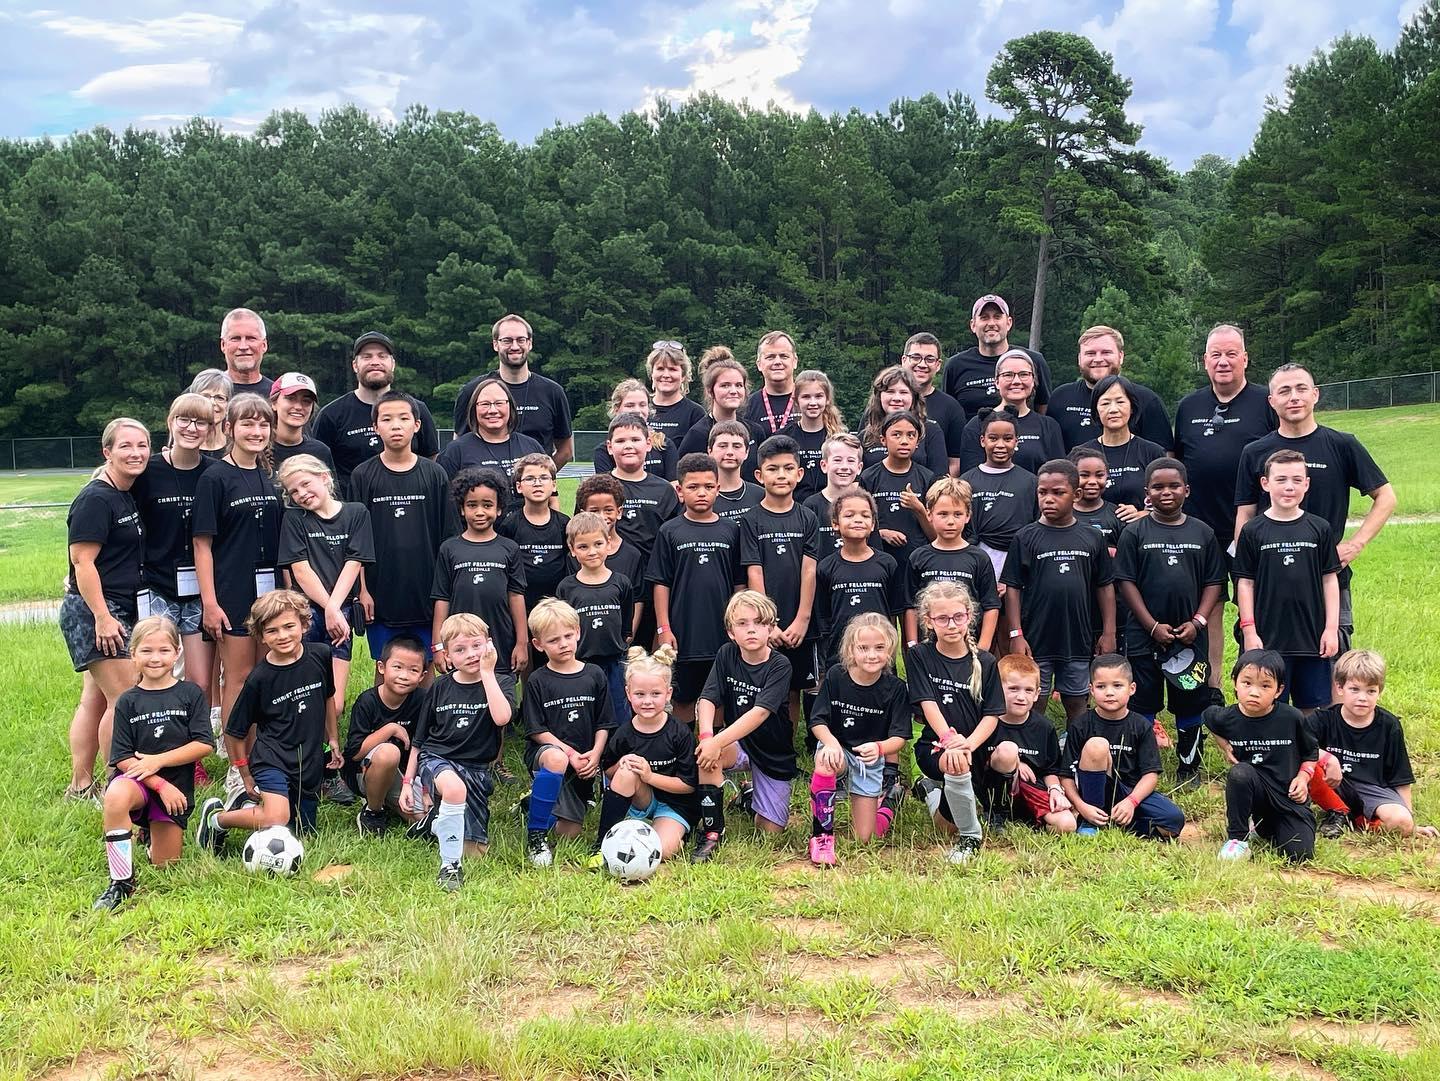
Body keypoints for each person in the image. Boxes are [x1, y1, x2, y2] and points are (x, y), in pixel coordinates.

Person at [1234, 363, 1395, 652]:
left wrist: (1356, 544)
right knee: (1268, 670)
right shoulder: (1254, 452)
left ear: (1315, 395)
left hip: (1327, 578)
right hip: (1270, 580)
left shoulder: (1342, 445)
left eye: (1301, 389)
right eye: (1284, 391)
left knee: (1332, 663)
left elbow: (1385, 497)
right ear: (1272, 401)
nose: (1293, 397)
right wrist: (1245, 572)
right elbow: (1245, 514)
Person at [1172, 325, 1278, 686]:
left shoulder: (1266, 403)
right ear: (1204, 361)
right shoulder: (1189, 407)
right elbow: (1176, 463)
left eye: (1232, 353)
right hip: (1201, 531)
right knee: (1208, 612)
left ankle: (1264, 689)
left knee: (1260, 610)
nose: (1223, 361)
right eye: (1215, 354)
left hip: (1256, 528)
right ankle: (1212, 690)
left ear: (1245, 358)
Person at [195, 590, 339, 851]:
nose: (282, 636)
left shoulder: (320, 655)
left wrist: (333, 739)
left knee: (305, 835)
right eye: (272, 631)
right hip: (271, 758)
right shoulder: (259, 679)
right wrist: (245, 772)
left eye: (288, 626)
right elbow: (235, 730)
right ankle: (218, 820)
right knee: (277, 817)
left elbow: (328, 696)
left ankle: (251, 807)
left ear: (304, 625)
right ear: (260, 636)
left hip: (309, 759)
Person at [1114, 459, 1227, 782]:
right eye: (1158, 487)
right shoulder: (1135, 533)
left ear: (1186, 490)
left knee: (1190, 701)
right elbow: (1126, 582)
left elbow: (1214, 582)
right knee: (1143, 701)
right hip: (1144, 634)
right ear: (1147, 493)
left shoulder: (1202, 532)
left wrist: (1199, 622)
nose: (1167, 492)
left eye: (1174, 486)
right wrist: (1151, 625)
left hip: (1191, 636)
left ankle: (1189, 767)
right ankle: (1143, 765)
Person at [192, 396, 284, 789]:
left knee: (265, 675)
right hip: (232, 593)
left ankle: (261, 754)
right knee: (240, 678)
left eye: (263, 425)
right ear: (228, 428)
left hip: (271, 596)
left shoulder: (269, 475)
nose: (256, 432)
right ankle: (236, 764)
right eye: (247, 424)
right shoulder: (215, 478)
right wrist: (210, 603)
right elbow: (202, 545)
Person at [91, 616, 212, 910]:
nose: (155, 658)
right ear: (133, 654)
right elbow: (120, 757)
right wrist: (157, 782)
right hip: (139, 783)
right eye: (146, 651)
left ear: (177, 652)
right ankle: (121, 881)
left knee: (166, 867)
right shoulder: (128, 701)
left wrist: (159, 762)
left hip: (176, 790)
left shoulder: (190, 694)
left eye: (163, 650)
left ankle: (149, 834)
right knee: (116, 795)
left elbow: (204, 744)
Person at [61, 419, 150, 803]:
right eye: (126, 446)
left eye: (142, 445)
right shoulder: (95, 498)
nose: (136, 453)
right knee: (125, 697)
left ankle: (80, 786)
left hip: (116, 608)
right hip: (98, 612)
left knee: (94, 699)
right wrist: (102, 616)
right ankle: (119, 783)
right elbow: (82, 562)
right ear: (107, 452)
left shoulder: (123, 493)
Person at [400, 613, 514, 890]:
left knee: (475, 852)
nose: (471, 654)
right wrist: (408, 782)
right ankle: (449, 867)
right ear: (448, 656)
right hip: (437, 758)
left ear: (489, 645)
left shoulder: (502, 682)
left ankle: (435, 823)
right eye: (460, 650)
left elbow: (502, 719)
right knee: (454, 790)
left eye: (477, 646)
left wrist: (487, 673)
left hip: (476, 769)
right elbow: (420, 740)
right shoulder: (440, 686)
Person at [1002, 458, 1116, 723]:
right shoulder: (1025, 537)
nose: (1048, 499)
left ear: (1076, 495)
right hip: (1035, 638)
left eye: (1058, 492)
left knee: (1077, 702)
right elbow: (1013, 588)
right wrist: (1016, 633)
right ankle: (1034, 755)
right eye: (1043, 492)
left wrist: (1109, 632)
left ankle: (1075, 755)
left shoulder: (1092, 537)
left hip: (1077, 637)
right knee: (1034, 702)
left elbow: (1104, 585)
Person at [349, 390, 456, 668]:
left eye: (403, 418)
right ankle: (385, 713)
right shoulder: (363, 476)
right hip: (381, 592)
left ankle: (424, 714)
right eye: (386, 419)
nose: (395, 425)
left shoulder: (434, 474)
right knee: (386, 666)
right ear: (375, 427)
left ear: (417, 425)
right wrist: (362, 590)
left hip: (426, 592)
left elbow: (448, 539)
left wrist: (444, 593)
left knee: (425, 665)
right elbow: (355, 541)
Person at [1234, 450, 1341, 714]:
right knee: (1267, 705)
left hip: (1311, 637)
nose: (1289, 487)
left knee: (1312, 707)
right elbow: (1245, 583)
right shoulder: (1252, 530)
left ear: (1307, 484)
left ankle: (1306, 754)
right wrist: (1249, 631)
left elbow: (1329, 580)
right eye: (1281, 479)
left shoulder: (1319, 528)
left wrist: (1331, 629)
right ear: (1265, 483)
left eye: (1296, 479)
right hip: (1267, 639)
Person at [694, 591, 796, 860]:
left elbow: (760, 713)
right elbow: (707, 698)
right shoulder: (727, 654)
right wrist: (707, 737)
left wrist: (716, 740)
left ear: (771, 629)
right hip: (737, 743)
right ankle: (712, 831)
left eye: (759, 623)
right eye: (742, 623)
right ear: (731, 632)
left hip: (772, 751)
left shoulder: (780, 665)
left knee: (770, 833)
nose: (751, 629)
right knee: (709, 756)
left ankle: (749, 797)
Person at [906, 581, 1003, 864]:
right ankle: (971, 838)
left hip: (978, 747)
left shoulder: (985, 661)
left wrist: (969, 744)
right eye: (942, 618)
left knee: (943, 825)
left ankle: (930, 793)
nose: (951, 625)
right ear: (929, 621)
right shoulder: (920, 656)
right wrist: (952, 743)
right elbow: (928, 704)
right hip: (937, 747)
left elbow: (993, 715)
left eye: (958, 617)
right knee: (955, 762)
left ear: (970, 617)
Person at [277, 454, 375, 725]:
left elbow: (354, 562)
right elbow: (300, 569)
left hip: (341, 610)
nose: (301, 494)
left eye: (306, 484)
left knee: (337, 702)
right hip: (305, 612)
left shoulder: (356, 513)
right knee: (305, 696)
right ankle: (305, 754)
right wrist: (328, 608)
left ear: (324, 477)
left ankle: (329, 751)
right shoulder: (295, 519)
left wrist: (335, 609)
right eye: (293, 491)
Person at [133, 394, 217, 709]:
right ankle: (155, 745)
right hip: (157, 585)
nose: (191, 428)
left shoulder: (214, 473)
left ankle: (190, 747)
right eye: (184, 419)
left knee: (200, 681)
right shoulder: (148, 471)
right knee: (156, 672)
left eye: (201, 422)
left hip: (199, 590)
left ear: (211, 429)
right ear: (171, 422)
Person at [807, 613, 910, 865]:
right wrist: (830, 743)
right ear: (851, 650)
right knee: (825, 759)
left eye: (879, 648)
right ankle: (822, 836)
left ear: (890, 652)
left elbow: (899, 738)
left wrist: (880, 747)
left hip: (869, 759)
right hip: (838, 748)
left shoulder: (895, 688)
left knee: (866, 838)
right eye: (863, 648)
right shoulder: (835, 676)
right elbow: (817, 721)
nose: (871, 655)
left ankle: (889, 803)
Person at [521, 598, 616, 867]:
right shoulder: (538, 680)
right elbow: (537, 731)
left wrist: (595, 756)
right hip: (551, 755)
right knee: (556, 759)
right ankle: (536, 836)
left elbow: (604, 723)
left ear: (578, 633)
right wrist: (571, 754)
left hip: (586, 762)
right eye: (553, 640)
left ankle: (535, 803)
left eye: (567, 636)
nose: (563, 644)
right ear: (538, 645)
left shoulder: (595, 674)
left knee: (568, 835)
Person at [649, 453, 742, 723]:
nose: (701, 493)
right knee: (684, 696)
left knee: (718, 694)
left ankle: (714, 752)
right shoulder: (669, 531)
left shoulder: (732, 530)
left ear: (718, 489)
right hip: (683, 631)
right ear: (679, 490)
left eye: (708, 487)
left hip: (721, 632)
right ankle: (683, 754)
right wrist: (663, 628)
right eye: (693, 487)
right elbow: (661, 583)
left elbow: (739, 584)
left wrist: (736, 625)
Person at [1203, 649, 1319, 862]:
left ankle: (1262, 826)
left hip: (1287, 797)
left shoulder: (1291, 718)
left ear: (1278, 690)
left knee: (1299, 854)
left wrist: (1303, 779)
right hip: (1254, 788)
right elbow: (1208, 718)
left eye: (1265, 686)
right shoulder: (1227, 716)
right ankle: (1237, 839)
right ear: (1235, 683)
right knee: (1240, 773)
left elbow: (1311, 753)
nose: (1254, 692)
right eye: (1247, 683)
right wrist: (1224, 745)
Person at [1305, 650, 1433, 839]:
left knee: (1402, 824)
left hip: (1372, 788)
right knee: (1309, 759)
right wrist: (1328, 758)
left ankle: (1358, 821)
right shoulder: (1322, 719)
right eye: (1354, 689)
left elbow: (1401, 777)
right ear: (1340, 688)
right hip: (1333, 784)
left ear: (1379, 692)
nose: (1362, 697)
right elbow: (1297, 746)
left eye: (1370, 690)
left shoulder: (1389, 726)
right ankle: (1337, 811)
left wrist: (1410, 821)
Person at [740, 435, 822, 731]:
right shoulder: (751, 520)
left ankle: (803, 742)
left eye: (788, 468)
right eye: (773, 469)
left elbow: (809, 570)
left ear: (799, 474)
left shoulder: (807, 517)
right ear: (759, 475)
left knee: (802, 684)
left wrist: (802, 619)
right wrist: (768, 623)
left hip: (801, 619)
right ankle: (771, 739)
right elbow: (754, 572)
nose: (781, 475)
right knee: (770, 683)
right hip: (767, 621)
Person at [590, 644, 698, 865]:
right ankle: (602, 843)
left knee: (661, 851)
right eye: (640, 694)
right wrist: (621, 764)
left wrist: (649, 776)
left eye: (655, 694)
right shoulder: (623, 733)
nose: (647, 701)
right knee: (626, 769)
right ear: (628, 693)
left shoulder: (680, 733)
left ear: (668, 694)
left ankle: (675, 831)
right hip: (641, 799)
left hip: (675, 804)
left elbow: (688, 785)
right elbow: (608, 771)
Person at [1059, 655, 1185, 840]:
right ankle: (1091, 820)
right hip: (1091, 791)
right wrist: (1081, 807)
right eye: (1101, 686)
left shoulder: (1141, 725)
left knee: (1172, 822)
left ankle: (1119, 819)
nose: (1109, 692)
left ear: (1131, 688)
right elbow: (1066, 776)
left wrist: (1131, 802)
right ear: (1091, 690)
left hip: (1129, 791)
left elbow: (1150, 774)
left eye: (1117, 686)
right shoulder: (1081, 725)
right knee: (1097, 745)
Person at [431, 468, 528, 707]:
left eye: (487, 505)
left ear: (499, 508)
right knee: (464, 691)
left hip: (501, 635)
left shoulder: (509, 548)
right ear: (462, 509)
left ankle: (498, 739)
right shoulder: (449, 549)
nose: (480, 512)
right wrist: (438, 646)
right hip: (460, 639)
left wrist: (522, 642)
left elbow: (516, 596)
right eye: (472, 505)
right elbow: (442, 598)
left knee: (500, 692)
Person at [314, 331, 439, 494]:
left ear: (393, 364)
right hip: (352, 511)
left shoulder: (416, 409)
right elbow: (317, 465)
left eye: (382, 356)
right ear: (354, 365)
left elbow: (431, 458)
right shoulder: (331, 415)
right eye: (367, 357)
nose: (375, 362)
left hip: (410, 507)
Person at [452, 314, 573, 468]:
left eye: (521, 340)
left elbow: (566, 450)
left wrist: (542, 475)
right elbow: (458, 448)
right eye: (507, 340)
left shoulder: (553, 392)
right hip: (487, 487)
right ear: (495, 344)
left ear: (529, 343)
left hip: (534, 490)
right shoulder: (472, 391)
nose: (515, 346)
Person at [978, 654, 1077, 834]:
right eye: (1013, 689)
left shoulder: (1044, 727)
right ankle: (996, 814)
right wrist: (1016, 763)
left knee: (1066, 825)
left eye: (1028, 690)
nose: (1021, 697)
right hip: (992, 791)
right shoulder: (986, 722)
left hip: (1031, 789)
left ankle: (1032, 816)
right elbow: (978, 764)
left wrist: (1055, 790)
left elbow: (1050, 769)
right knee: (1008, 750)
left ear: (1037, 694)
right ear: (996, 689)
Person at [557, 511, 640, 726]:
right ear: (573, 550)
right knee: (587, 714)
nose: (592, 552)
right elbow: (562, 625)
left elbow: (626, 620)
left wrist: (624, 639)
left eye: (598, 544)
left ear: (608, 543)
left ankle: (617, 754)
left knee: (619, 712)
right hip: (581, 662)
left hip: (614, 661)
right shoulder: (567, 587)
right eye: (583, 547)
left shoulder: (621, 583)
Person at [903, 477, 1000, 653]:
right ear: (929, 514)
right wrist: (912, 645)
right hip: (928, 647)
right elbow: (910, 606)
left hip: (967, 646)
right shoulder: (918, 557)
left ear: (968, 516)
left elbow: (991, 605)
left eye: (957, 514)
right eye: (943, 514)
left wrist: (983, 648)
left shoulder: (979, 558)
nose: (950, 521)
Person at [345, 634, 428, 837]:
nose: (404, 675)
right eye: (397, 667)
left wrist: (424, 789)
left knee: (424, 818)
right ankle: (373, 811)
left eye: (413, 670)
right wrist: (389, 729)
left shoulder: (423, 700)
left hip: (405, 774)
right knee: (389, 752)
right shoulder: (367, 702)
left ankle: (390, 800)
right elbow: (355, 754)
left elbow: (427, 747)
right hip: (364, 772)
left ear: (422, 676)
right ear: (382, 668)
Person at [814, 487, 902, 670]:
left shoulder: (887, 564)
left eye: (865, 515)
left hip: (878, 655)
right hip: (840, 657)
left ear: (872, 524)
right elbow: (824, 618)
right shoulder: (825, 567)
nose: (857, 520)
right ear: (835, 523)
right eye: (849, 515)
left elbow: (893, 613)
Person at [1046, 326, 1171, 450]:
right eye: (1090, 353)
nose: (1098, 359)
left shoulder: (1146, 400)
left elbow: (1164, 458)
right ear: (1079, 358)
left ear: (1121, 356)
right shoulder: (1060, 398)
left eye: (1106, 352)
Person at [499, 453, 570, 670]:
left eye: (543, 477)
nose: (537, 483)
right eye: (530, 478)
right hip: (522, 606)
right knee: (526, 662)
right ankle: (529, 703)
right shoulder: (510, 526)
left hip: (554, 606)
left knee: (554, 661)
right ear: (519, 487)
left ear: (554, 485)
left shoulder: (564, 524)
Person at [962, 409, 1038, 599]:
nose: (1000, 445)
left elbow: (1035, 530)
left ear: (1016, 441)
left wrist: (1012, 575)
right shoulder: (966, 481)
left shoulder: (1030, 482)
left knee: (1009, 624)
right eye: (993, 438)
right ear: (982, 440)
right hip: (974, 565)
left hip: (1015, 567)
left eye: (1007, 438)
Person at [943, 294, 1053, 419]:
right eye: (984, 318)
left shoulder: (1032, 361)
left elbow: (1044, 409)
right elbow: (948, 412)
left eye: (997, 317)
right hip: (972, 436)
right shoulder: (955, 365)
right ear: (973, 325)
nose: (991, 323)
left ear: (1008, 323)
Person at [860, 410, 936, 588]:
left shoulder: (927, 477)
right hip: (879, 561)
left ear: (918, 442)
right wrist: (881, 533)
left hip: (916, 561)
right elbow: (859, 525)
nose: (904, 441)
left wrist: (919, 509)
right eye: (896, 434)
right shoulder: (869, 477)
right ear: (883, 439)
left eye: (911, 435)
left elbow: (934, 536)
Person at [958, 350, 1065, 473]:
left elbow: (1058, 475)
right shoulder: (977, 424)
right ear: (996, 382)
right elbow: (969, 477)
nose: (1016, 381)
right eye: (1008, 375)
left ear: (1033, 381)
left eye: (1024, 374)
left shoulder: (1049, 426)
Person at [1079, 374, 1168, 521]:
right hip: (1092, 535)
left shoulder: (1153, 453)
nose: (1113, 409)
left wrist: (1143, 514)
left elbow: (1168, 500)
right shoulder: (1082, 455)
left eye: (1120, 402)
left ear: (1132, 407)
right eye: (1105, 403)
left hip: (1141, 534)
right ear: (1095, 410)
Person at [439, 375, 545, 480]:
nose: (493, 410)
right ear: (474, 409)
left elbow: (550, 492)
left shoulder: (531, 447)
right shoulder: (455, 452)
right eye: (485, 404)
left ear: (510, 406)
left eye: (499, 403)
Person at [677, 348, 768, 470]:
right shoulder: (698, 435)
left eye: (739, 385)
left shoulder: (755, 431)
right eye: (725, 385)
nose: (733, 391)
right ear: (710, 391)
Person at [608, 412, 681, 559]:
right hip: (608, 575)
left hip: (652, 573)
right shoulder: (596, 488)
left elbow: (675, 537)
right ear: (609, 447)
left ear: (648, 444)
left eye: (635, 440)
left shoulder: (664, 490)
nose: (628, 446)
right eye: (620, 441)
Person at [570, 474, 648, 607]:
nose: (601, 517)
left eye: (608, 510)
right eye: (594, 511)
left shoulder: (632, 555)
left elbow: (637, 599)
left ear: (619, 512)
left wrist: (630, 629)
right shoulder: (576, 554)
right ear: (583, 513)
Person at [859, 367, 949, 476]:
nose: (897, 398)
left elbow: (940, 478)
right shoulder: (866, 434)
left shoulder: (930, 430)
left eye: (903, 392)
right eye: (890, 391)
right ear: (879, 396)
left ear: (914, 397)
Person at [899, 332, 966, 475]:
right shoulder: (886, 404)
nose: (922, 364)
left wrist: (938, 492)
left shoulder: (951, 408)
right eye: (916, 357)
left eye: (929, 359)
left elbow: (955, 462)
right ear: (904, 360)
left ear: (938, 365)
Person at [781, 369, 846, 504]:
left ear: (827, 399)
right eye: (806, 397)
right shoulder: (783, 437)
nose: (812, 402)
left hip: (831, 508)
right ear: (796, 400)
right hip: (795, 508)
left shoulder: (838, 438)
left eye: (818, 396)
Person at [592, 380, 678, 479]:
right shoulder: (604, 451)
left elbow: (673, 486)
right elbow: (605, 489)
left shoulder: (664, 444)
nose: (637, 410)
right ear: (616, 409)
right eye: (630, 405)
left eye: (642, 405)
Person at [803, 433, 863, 556]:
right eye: (837, 460)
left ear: (859, 467)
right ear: (824, 466)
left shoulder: (865, 505)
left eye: (851, 460)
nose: (844, 467)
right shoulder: (811, 505)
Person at [268, 372, 335, 474]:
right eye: (291, 398)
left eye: (306, 401)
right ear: (274, 403)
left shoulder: (320, 451)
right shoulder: (259, 449)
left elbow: (331, 489)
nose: (298, 407)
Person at [646, 341, 705, 452]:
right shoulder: (640, 408)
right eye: (660, 369)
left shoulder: (695, 413)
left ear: (683, 376)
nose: (666, 375)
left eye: (672, 369)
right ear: (652, 374)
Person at [1069, 446, 1123, 553]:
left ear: (1107, 476)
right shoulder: (1063, 515)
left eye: (1099, 475)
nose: (1092, 481)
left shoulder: (1118, 515)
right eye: (1084, 475)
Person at [710, 420, 765, 523]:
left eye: (736, 446)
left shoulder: (761, 495)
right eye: (722, 446)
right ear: (710, 451)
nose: (730, 452)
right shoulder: (704, 498)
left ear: (747, 452)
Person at [747, 330, 799, 435]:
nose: (777, 362)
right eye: (770, 357)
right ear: (759, 364)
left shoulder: (812, 402)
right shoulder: (746, 407)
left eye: (784, 356)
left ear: (794, 361)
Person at [218, 308, 274, 401]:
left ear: (264, 345)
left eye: (251, 338)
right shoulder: (203, 395)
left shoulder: (277, 397)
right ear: (223, 345)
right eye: (235, 338)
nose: (243, 346)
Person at [186, 369, 232, 457]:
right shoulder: (182, 446)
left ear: (228, 405)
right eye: (205, 396)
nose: (212, 403)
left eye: (220, 398)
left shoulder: (236, 448)